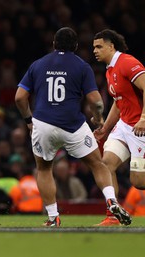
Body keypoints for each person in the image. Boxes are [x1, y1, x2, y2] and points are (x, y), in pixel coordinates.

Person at [15, 27, 131, 227]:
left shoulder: (38, 64)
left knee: (44, 168)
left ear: (54, 44)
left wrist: (28, 121)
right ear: (76, 46)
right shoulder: (82, 66)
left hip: (42, 123)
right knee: (97, 164)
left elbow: (19, 97)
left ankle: (53, 218)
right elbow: (95, 101)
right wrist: (98, 118)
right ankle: (111, 200)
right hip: (73, 125)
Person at [92, 29, 145, 226]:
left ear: (111, 46)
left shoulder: (128, 63)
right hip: (124, 125)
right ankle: (112, 216)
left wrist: (144, 118)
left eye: (99, 46)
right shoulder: (110, 70)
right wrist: (105, 128)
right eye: (94, 47)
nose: (95, 51)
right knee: (106, 164)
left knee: (139, 182)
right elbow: (118, 101)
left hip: (140, 128)